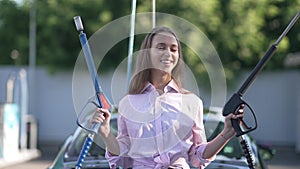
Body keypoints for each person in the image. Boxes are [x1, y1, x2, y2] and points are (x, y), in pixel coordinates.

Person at [90, 26, 244, 169]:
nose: (168, 53)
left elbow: (197, 156)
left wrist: (226, 134)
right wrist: (105, 132)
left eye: (173, 49)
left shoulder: (192, 102)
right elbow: (121, 155)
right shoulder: (128, 103)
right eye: (161, 47)